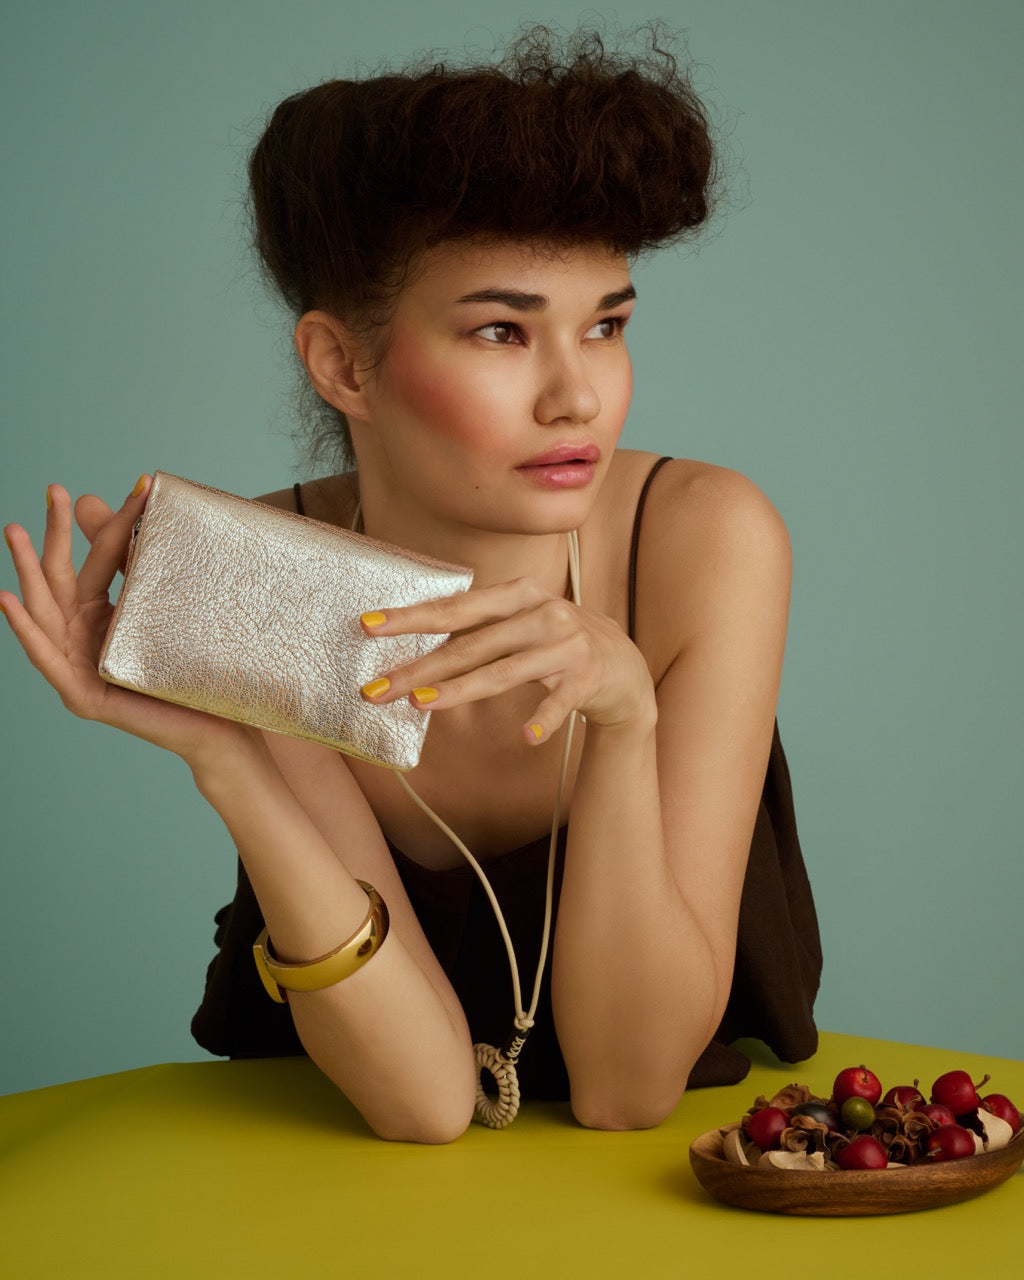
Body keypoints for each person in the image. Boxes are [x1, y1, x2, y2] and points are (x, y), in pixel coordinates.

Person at [0, 28, 820, 1142]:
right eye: (502, 331)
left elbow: (629, 1090)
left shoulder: (703, 542)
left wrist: (625, 718)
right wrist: (225, 754)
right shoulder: (266, 578)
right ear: (343, 364)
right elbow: (425, 1103)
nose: (578, 396)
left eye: (606, 326)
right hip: (337, 1164)